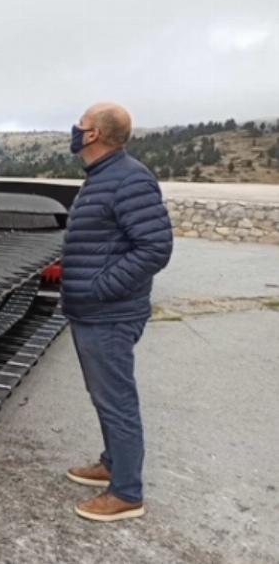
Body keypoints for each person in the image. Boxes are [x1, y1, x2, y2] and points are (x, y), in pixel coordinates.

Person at [60, 102, 174, 522]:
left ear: (92, 136)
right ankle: (112, 463)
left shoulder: (128, 179)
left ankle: (126, 492)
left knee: (116, 401)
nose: (74, 130)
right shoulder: (103, 176)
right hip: (95, 310)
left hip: (108, 314)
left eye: (80, 124)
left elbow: (155, 247)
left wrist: (99, 288)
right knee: (104, 394)